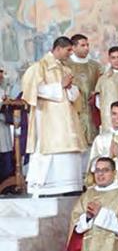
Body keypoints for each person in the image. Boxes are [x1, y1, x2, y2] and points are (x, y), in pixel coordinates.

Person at [21, 36, 86, 197]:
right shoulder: (39, 67)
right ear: (58, 49)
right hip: (48, 120)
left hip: (67, 120)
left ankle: (69, 188)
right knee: (50, 152)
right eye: (68, 50)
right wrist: (59, 87)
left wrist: (70, 89)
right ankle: (46, 189)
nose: (70, 53)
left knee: (69, 152)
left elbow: (75, 96)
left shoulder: (66, 69)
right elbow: (32, 90)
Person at [67, 34, 102, 148]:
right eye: (83, 45)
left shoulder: (95, 66)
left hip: (92, 113)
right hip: (73, 114)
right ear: (73, 47)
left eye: (87, 45)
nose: (87, 48)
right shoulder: (65, 65)